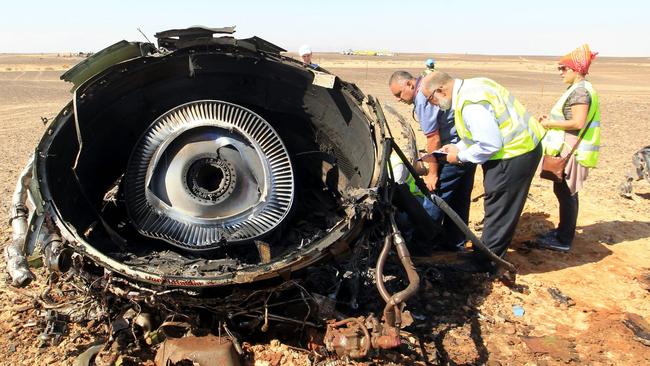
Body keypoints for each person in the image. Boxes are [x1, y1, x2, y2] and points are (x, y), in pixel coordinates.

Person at [421, 71, 545, 270]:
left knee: (499, 206)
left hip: (514, 154)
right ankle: (488, 254)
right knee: (498, 205)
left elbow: (489, 144)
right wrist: (457, 147)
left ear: (441, 90)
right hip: (520, 147)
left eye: (430, 99)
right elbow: (478, 134)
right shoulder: (474, 86)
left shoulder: (470, 104)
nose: (432, 104)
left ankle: (487, 262)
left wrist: (459, 157)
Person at [388, 71, 476, 251]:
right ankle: (455, 242)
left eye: (399, 94)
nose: (398, 99)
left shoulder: (422, 97)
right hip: (467, 148)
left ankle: (422, 244)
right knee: (460, 198)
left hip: (450, 152)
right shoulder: (428, 90)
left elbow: (433, 139)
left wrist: (432, 173)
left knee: (435, 197)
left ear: (410, 85)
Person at [533, 44, 600, 252]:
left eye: (563, 68)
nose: (560, 72)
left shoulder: (581, 92)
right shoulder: (577, 90)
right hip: (568, 147)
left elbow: (578, 122)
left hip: (573, 150)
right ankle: (563, 231)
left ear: (575, 70)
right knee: (562, 190)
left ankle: (563, 239)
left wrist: (549, 124)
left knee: (567, 193)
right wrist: (551, 119)